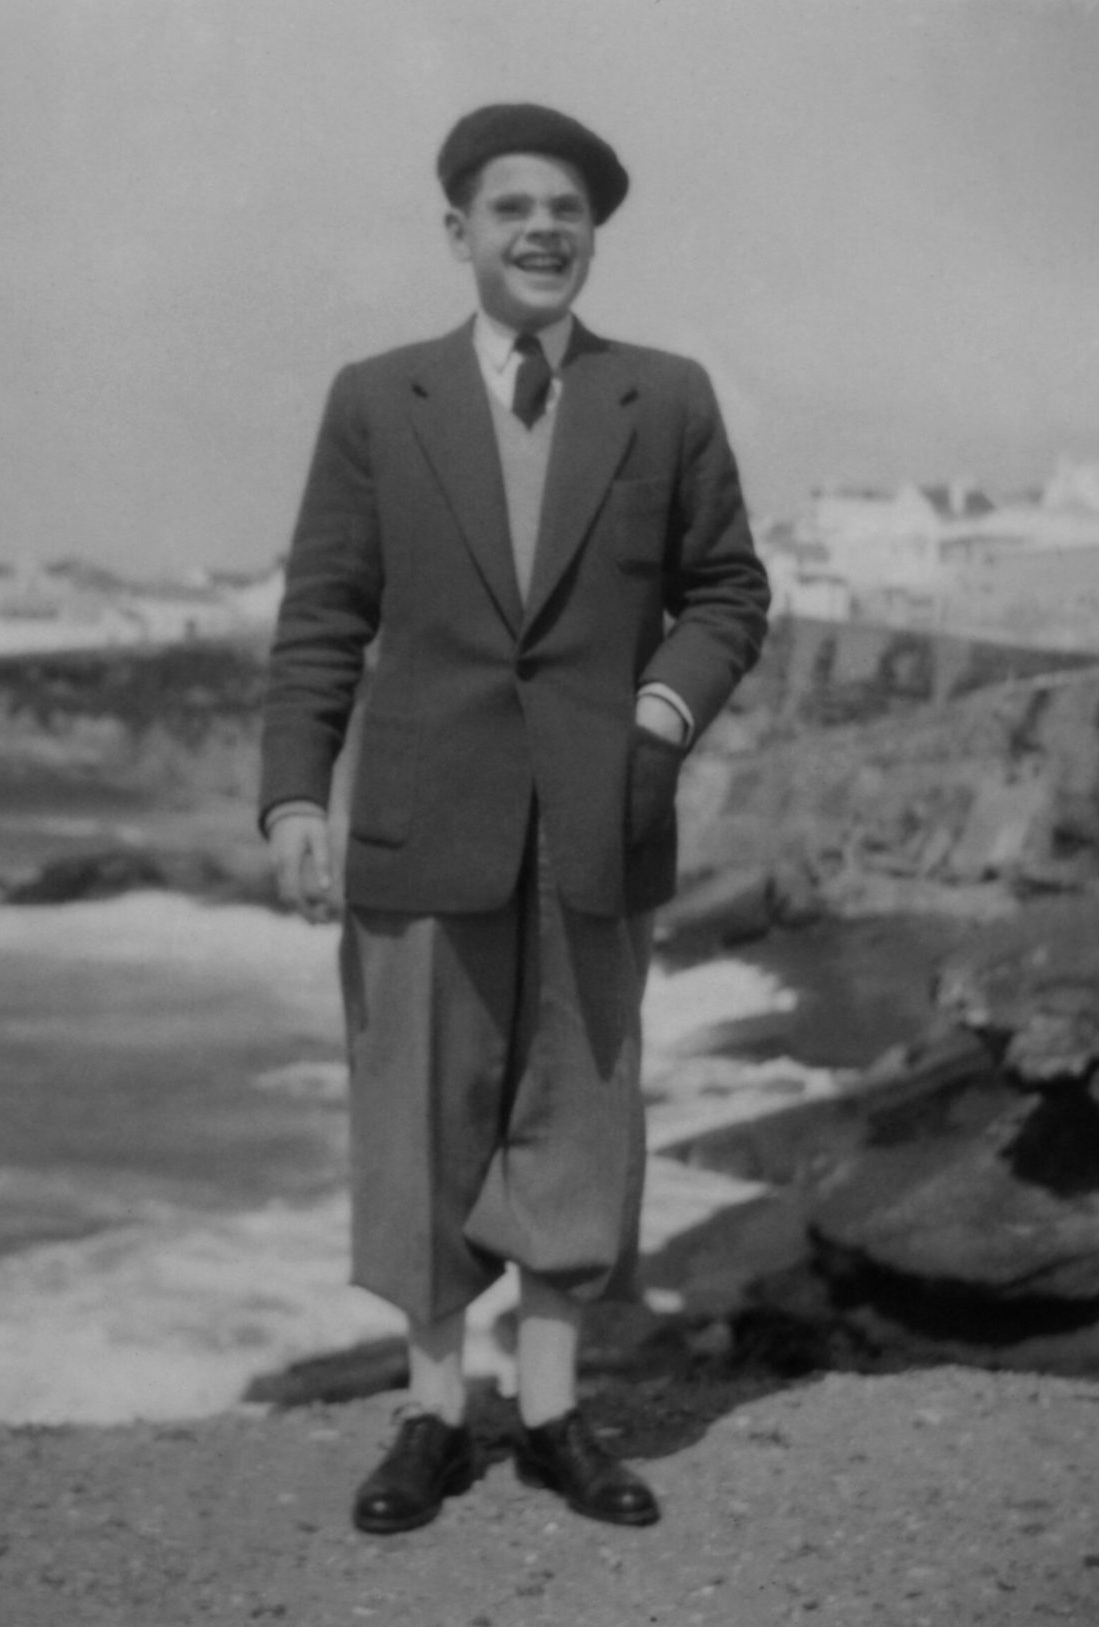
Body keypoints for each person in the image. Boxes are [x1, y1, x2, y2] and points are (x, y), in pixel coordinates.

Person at [259, 102, 770, 1535]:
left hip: (601, 823)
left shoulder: (664, 395)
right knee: (421, 1116)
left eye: (568, 211)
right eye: (512, 208)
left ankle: (550, 1417)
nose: (544, 230)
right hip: (422, 821)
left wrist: (659, 715)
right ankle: (433, 1414)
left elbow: (728, 591)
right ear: (459, 233)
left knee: (576, 1115)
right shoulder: (380, 398)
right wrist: (295, 793)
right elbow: (324, 615)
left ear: (591, 235)